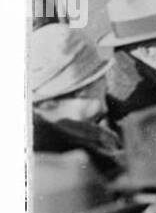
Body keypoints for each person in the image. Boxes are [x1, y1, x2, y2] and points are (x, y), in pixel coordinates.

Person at [31, 23, 122, 173]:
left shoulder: (75, 132)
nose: (106, 83)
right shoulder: (61, 158)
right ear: (82, 90)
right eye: (100, 76)